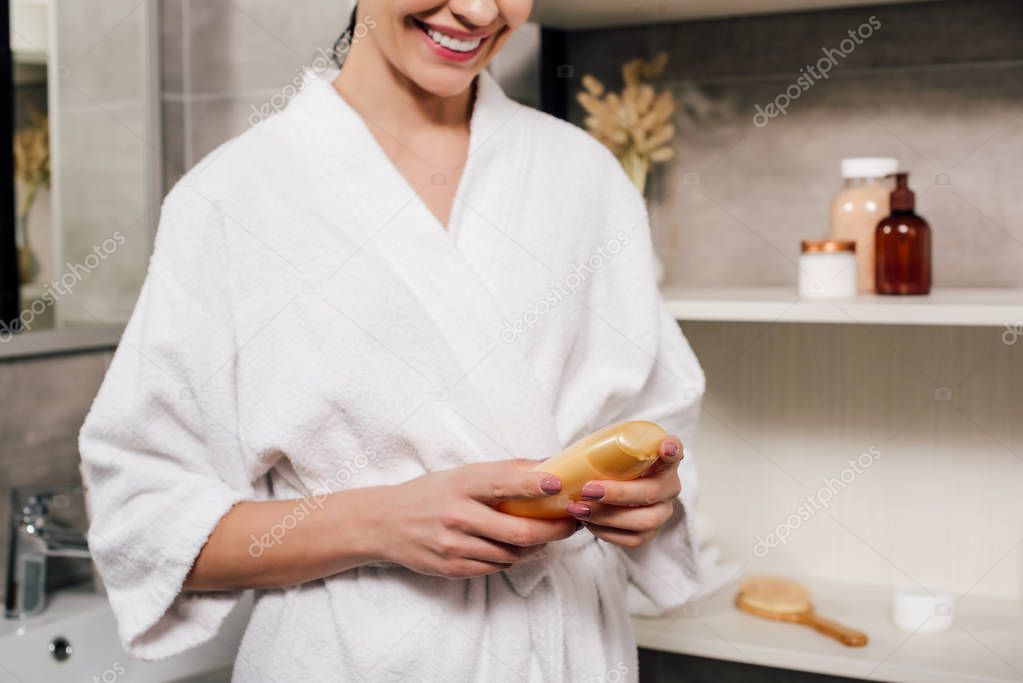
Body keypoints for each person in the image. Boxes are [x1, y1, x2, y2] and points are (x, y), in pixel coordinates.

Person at [79, 1, 706, 680]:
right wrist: (375, 523)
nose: (475, 10)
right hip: (352, 655)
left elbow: (657, 439)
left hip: (569, 646)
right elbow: (143, 522)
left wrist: (650, 499)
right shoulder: (232, 198)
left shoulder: (584, 178)